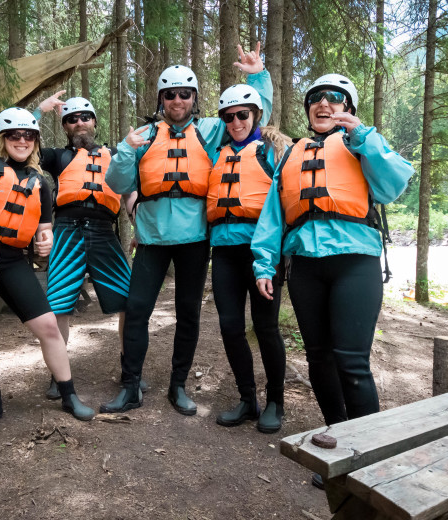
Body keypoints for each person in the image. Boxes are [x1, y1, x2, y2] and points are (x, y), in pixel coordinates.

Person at [251, 74, 413, 487]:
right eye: (316, 99)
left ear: (349, 108)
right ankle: (341, 446)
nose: (324, 104)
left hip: (354, 263)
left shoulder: (362, 146)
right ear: (308, 109)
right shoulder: (292, 156)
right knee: (319, 358)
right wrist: (264, 264)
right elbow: (273, 215)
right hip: (306, 266)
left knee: (351, 361)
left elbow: (396, 183)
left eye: (335, 99)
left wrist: (366, 137)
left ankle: (371, 455)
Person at [100, 44, 273, 416]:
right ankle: (130, 385)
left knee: (188, 314)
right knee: (137, 309)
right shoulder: (142, 135)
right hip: (151, 240)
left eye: (185, 94)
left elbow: (252, 118)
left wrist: (258, 76)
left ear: (194, 98)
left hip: (195, 240)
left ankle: (177, 386)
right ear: (161, 99)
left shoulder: (211, 130)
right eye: (170, 94)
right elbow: (116, 182)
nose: (177, 100)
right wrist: (127, 150)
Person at [0, 107, 95, 431]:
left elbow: (43, 230)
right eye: (15, 135)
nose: (22, 140)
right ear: (3, 139)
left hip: (12, 259)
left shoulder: (41, 183)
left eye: (29, 135)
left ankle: (69, 394)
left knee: (48, 326)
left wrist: (44, 243)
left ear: (36, 141)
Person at [33, 94, 142, 399]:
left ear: (94, 121)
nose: (79, 122)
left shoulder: (118, 154)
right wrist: (40, 111)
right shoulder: (57, 157)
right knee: (57, 307)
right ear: (64, 125)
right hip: (67, 232)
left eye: (84, 117)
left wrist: (140, 228)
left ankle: (129, 369)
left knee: (129, 303)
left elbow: (130, 194)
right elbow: (21, 140)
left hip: (104, 232)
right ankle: (58, 373)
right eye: (71, 118)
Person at [208, 84, 291, 432]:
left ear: (256, 114)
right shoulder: (218, 153)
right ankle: (247, 399)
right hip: (224, 252)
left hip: (263, 252)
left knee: (266, 327)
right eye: (229, 117)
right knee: (230, 327)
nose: (236, 121)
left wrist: (259, 76)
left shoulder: (272, 150)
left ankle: (275, 401)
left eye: (243, 115)